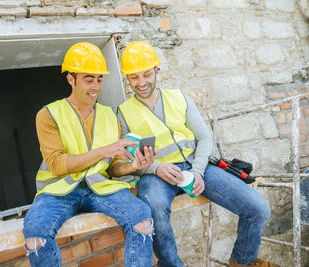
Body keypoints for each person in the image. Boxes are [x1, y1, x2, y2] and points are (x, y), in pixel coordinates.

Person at [110, 41, 279, 267]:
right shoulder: (123, 112)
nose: (141, 83)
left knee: (258, 209)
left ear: (156, 71)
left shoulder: (179, 97)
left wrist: (198, 172)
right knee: (155, 211)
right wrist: (155, 167)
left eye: (146, 74)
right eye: (134, 77)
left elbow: (204, 138)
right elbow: (124, 161)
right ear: (127, 78)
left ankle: (242, 262)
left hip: (195, 165)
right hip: (155, 175)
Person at [22, 42, 155, 267]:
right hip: (59, 189)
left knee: (141, 216)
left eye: (99, 79)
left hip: (100, 187)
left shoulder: (108, 115)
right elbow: (57, 164)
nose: (95, 86)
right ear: (70, 79)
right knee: (36, 232)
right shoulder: (47, 115)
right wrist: (105, 150)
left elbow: (113, 167)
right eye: (88, 79)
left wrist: (133, 166)